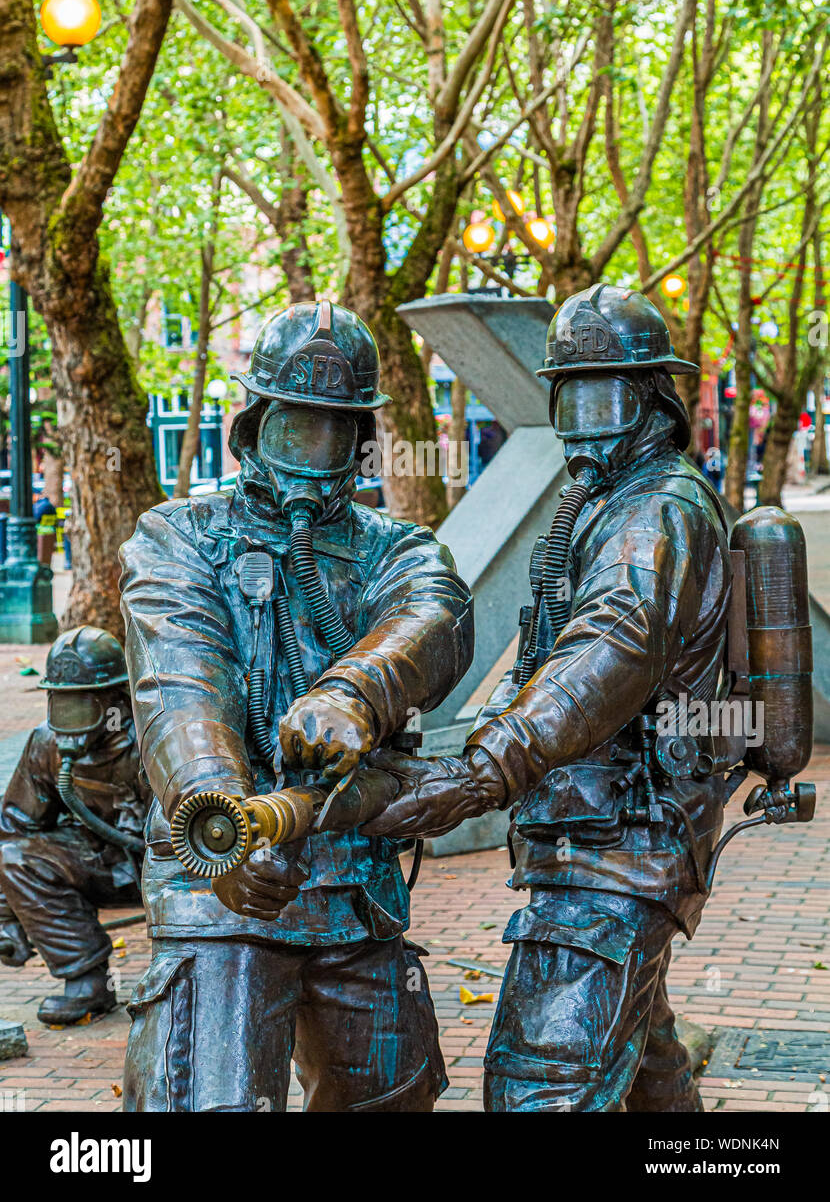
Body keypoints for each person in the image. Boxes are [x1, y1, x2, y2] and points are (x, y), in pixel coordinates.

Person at [366, 283, 740, 1112]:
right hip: (594, 831)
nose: (586, 421)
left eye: (607, 396)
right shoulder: (605, 506)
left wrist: (482, 771)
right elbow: (546, 657)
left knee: (544, 1085)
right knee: (639, 1048)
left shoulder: (656, 512)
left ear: (654, 400)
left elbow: (610, 651)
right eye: (571, 396)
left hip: (622, 844)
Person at [118, 300, 474, 1112]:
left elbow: (437, 614)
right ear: (252, 427)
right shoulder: (178, 537)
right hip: (222, 883)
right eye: (293, 429)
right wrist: (222, 821)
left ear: (362, 443)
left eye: (333, 433)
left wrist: (358, 690)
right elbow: (181, 687)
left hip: (354, 889)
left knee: (392, 1099)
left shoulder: (400, 548)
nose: (314, 455)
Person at [0, 627, 147, 1025]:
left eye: (80, 707)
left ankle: (195, 982)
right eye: (59, 704)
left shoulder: (153, 741)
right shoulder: (45, 745)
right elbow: (14, 829)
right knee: (15, 857)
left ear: (115, 700)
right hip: (98, 864)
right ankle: (88, 983)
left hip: (166, 865)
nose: (67, 720)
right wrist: (7, 919)